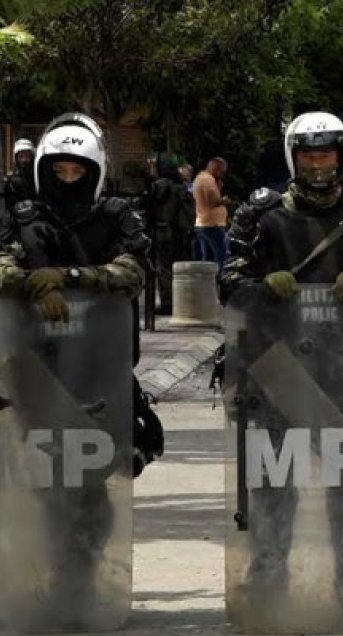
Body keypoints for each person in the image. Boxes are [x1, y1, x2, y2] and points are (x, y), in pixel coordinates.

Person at [219, 111, 343, 614]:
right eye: (308, 154)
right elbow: (229, 282)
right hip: (276, 372)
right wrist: (262, 285)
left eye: (325, 154)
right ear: (292, 157)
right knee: (274, 489)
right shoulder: (261, 214)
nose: (318, 164)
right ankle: (267, 586)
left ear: (341, 157)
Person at [0, 112, 163, 620]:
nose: (67, 179)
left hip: (99, 370)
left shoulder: (117, 214)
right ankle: (49, 582)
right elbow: (1, 261)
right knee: (44, 485)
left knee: (93, 487)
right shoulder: (21, 214)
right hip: (35, 371)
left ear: (93, 172)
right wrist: (30, 282)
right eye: (58, 170)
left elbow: (134, 268)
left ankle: (83, 578)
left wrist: (68, 276)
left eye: (77, 171)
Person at [149, 156, 195, 314]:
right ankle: (181, 302)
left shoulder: (159, 185)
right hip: (180, 232)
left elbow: (149, 207)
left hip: (162, 231)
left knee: (163, 267)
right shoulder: (181, 186)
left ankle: (167, 302)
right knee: (177, 267)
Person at [192, 157, 230, 270]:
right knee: (219, 257)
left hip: (203, 222)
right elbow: (212, 201)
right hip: (212, 224)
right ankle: (218, 281)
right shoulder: (208, 180)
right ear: (215, 168)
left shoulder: (199, 178)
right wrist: (225, 201)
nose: (223, 174)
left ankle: (209, 283)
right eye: (222, 171)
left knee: (207, 258)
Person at [3, 138, 36, 210]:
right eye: (21, 156)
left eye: (27, 156)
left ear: (32, 157)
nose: (24, 160)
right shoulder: (10, 179)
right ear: (16, 158)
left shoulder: (38, 176)